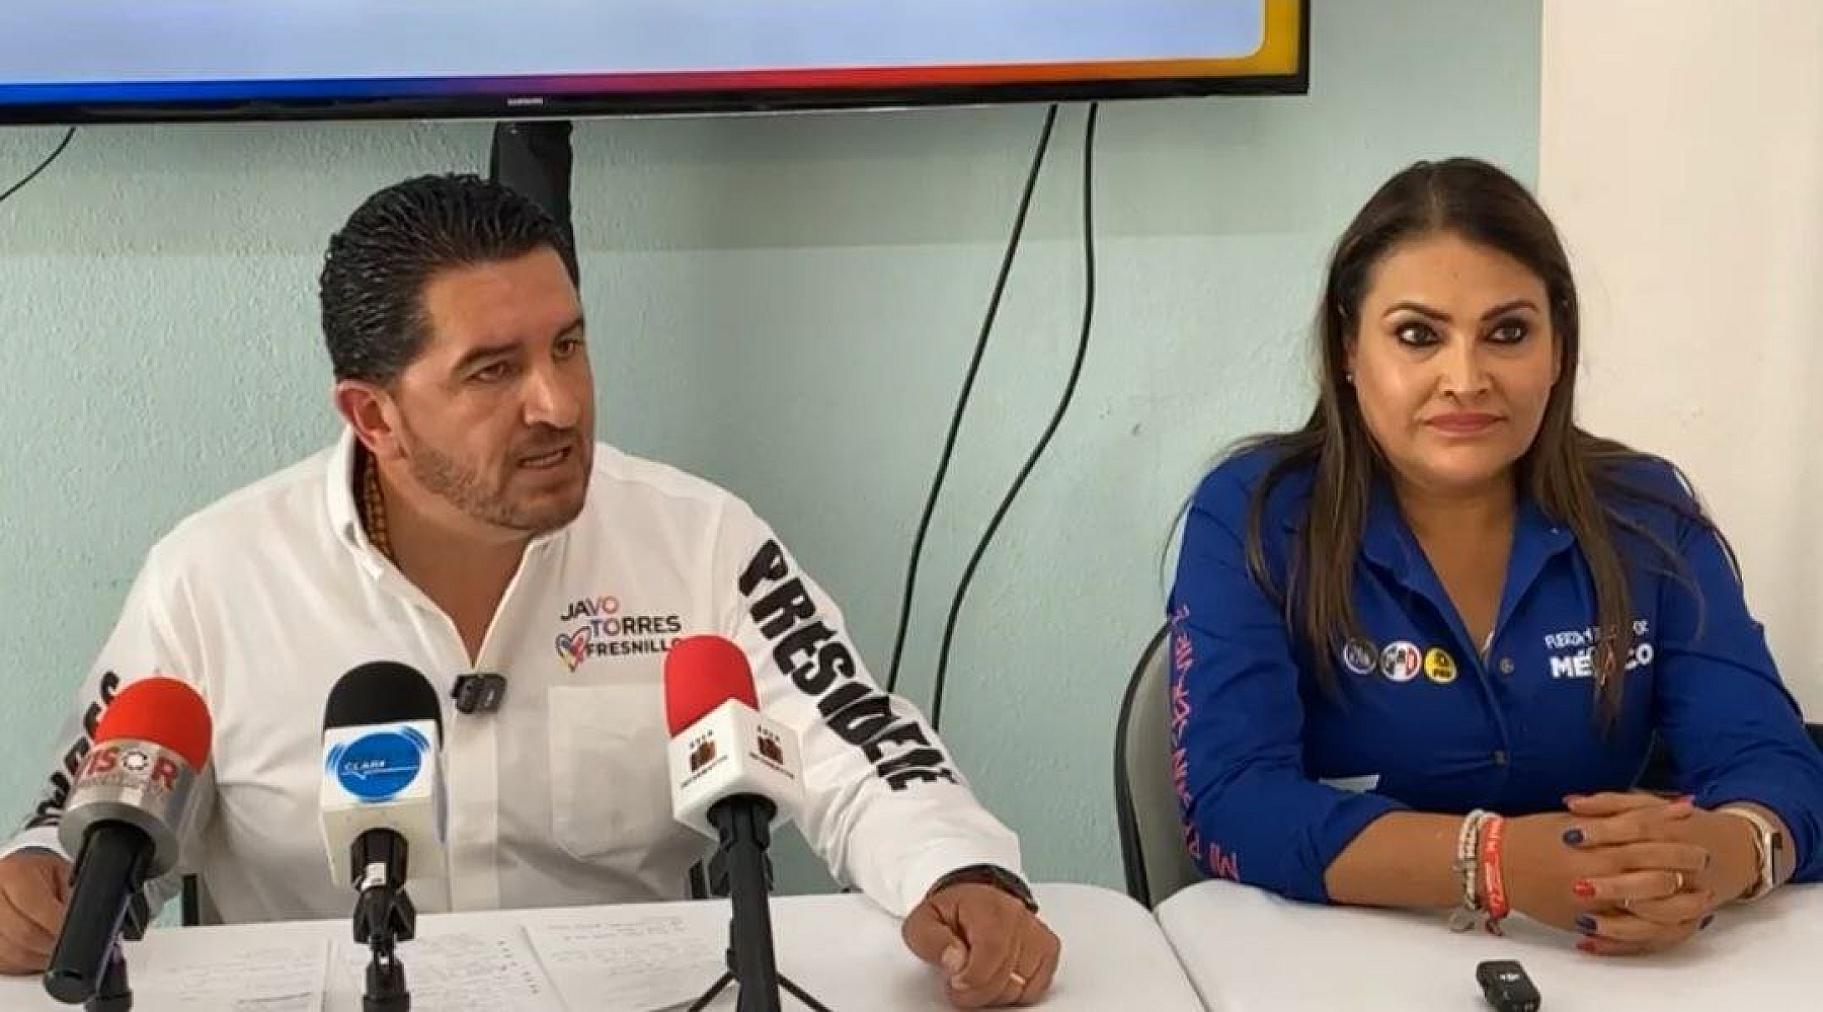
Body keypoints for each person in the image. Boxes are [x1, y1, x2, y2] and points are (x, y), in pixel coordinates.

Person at [0, 174, 1060, 1007]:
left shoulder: (698, 540)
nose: (557, 403)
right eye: (492, 370)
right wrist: (37, 878)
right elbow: (84, 828)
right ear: (374, 416)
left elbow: (859, 749)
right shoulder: (212, 575)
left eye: (569, 345)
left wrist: (960, 875)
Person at [1167, 158, 1823, 955]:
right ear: (1347, 348)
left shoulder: (1647, 514)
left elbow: (1771, 761)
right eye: (1418, 336)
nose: (1465, 379)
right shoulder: (1255, 514)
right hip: (1337, 964)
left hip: (1609, 965)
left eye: (1507, 333)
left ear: (1557, 348)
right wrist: (1491, 862)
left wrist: (1720, 857)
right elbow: (1231, 801)